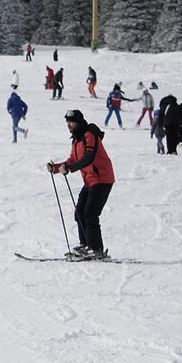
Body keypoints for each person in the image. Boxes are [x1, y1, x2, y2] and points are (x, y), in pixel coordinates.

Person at [47, 109, 115, 260]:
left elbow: (88, 157)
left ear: (78, 122)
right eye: (67, 122)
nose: (68, 125)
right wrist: (56, 168)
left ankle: (96, 249)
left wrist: (69, 169)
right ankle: (85, 245)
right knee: (79, 213)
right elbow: (72, 159)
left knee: (90, 214)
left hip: (102, 178)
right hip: (90, 180)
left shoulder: (89, 136)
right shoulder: (76, 140)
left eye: (71, 122)